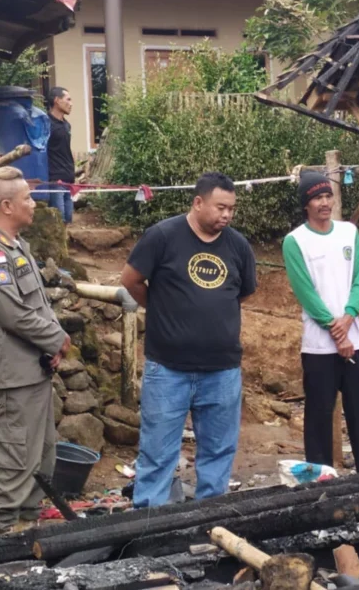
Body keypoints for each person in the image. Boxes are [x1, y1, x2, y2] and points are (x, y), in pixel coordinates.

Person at [120, 172, 257, 507]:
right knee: (157, 452)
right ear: (198, 203)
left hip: (222, 371)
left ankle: (209, 523)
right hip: (168, 370)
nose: (227, 215)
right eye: (220, 207)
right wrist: (162, 308)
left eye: (232, 209)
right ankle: (147, 527)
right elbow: (131, 280)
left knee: (218, 451)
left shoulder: (237, 245)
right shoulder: (163, 236)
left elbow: (242, 292)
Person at [0, 166, 71, 535]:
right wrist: (55, 339)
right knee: (12, 460)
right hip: (11, 378)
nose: (34, 203)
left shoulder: (17, 247)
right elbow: (12, 313)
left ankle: (26, 535)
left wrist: (53, 342)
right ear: (7, 206)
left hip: (33, 371)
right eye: (27, 198)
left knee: (40, 457)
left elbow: (36, 307)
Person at [283, 172, 359, 472]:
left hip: (355, 340)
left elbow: (358, 278)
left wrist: (349, 316)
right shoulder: (295, 241)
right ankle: (319, 482)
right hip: (318, 347)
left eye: (327, 196)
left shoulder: (349, 233)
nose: (324, 203)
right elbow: (306, 293)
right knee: (319, 418)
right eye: (317, 197)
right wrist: (337, 333)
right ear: (305, 204)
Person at [46, 87, 75, 224]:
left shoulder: (67, 125)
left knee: (68, 218)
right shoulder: (46, 123)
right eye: (68, 99)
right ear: (57, 101)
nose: (71, 103)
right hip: (55, 179)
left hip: (68, 178)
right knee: (58, 219)